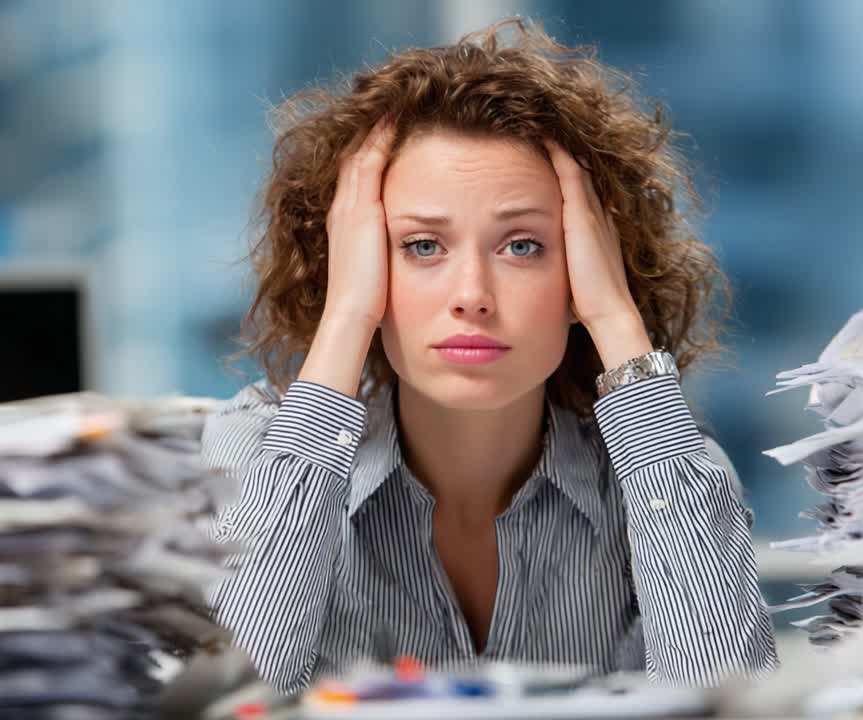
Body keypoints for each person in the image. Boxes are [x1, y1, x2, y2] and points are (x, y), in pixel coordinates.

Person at [202, 18, 779, 695]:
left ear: (583, 274)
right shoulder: (251, 450)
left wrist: (616, 319)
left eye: (523, 246)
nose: (472, 296)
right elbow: (225, 700)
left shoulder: (661, 475)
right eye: (422, 247)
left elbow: (727, 701)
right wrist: (346, 316)